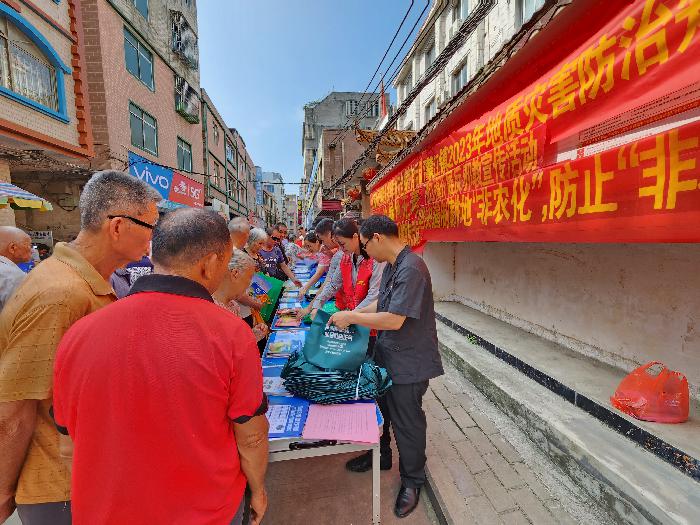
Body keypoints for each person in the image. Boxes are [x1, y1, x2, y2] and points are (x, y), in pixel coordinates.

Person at [52, 208, 269, 525]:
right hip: (206, 511)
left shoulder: (79, 333)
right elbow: (251, 435)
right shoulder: (231, 334)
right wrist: (258, 489)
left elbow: (67, 442)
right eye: (225, 262)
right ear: (210, 263)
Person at [0, 170, 160, 525]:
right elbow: (16, 408)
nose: (153, 238)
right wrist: (3, 491)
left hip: (95, 477)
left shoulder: (90, 283)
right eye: (151, 226)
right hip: (62, 488)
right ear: (117, 226)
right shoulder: (59, 294)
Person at [328, 214, 444, 519]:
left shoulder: (412, 268)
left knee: (407, 422)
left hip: (409, 363)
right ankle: (381, 455)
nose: (365, 252)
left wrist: (352, 317)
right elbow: (382, 302)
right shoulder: (394, 264)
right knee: (380, 412)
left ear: (377, 238)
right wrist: (354, 313)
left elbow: (394, 319)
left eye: (365, 245)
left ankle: (413, 480)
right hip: (388, 355)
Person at [214, 248, 268, 342]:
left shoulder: (233, 305)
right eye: (250, 277)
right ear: (235, 274)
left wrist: (253, 335)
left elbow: (237, 341)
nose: (250, 284)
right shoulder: (212, 309)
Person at [295, 218, 341, 307]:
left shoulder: (338, 252)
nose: (323, 244)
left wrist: (312, 305)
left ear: (331, 235)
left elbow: (323, 276)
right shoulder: (331, 251)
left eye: (322, 240)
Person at [0, 226, 32, 310]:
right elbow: (21, 313)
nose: (31, 250)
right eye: (29, 245)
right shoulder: (13, 277)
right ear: (12, 248)